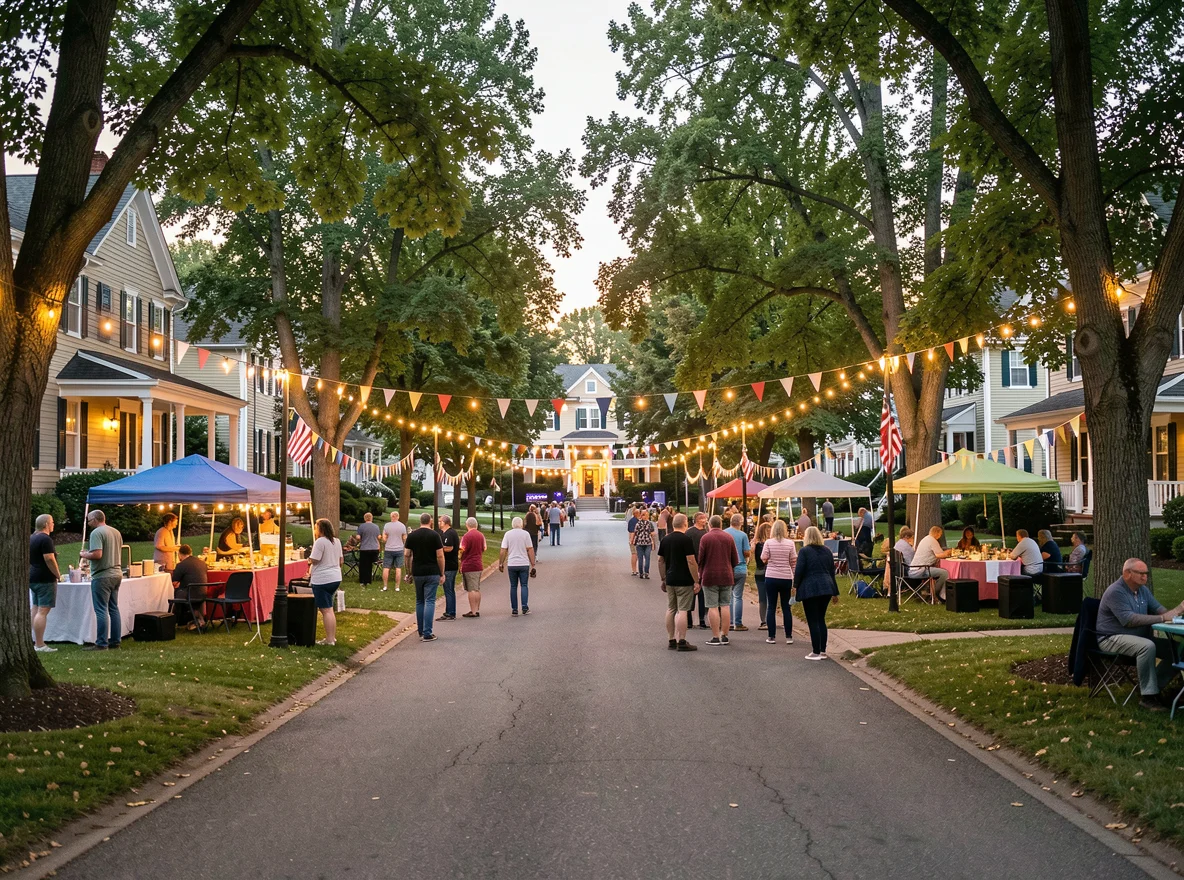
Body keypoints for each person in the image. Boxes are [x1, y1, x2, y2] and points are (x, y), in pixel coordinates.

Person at [1096, 558, 1184, 712]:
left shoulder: (1143, 590)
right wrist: (1163, 618)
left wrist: (1179, 610)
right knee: (1147, 646)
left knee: (1179, 649)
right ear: (1127, 573)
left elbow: (1161, 610)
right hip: (1111, 637)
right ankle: (1148, 698)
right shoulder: (1115, 591)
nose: (1145, 577)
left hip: (1139, 637)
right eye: (1141, 573)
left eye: (1146, 574)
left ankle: (1155, 688)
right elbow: (1129, 620)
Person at [794, 526, 840, 659]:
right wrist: (835, 592)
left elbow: (799, 570)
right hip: (827, 586)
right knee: (821, 619)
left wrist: (795, 585)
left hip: (810, 587)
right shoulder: (827, 551)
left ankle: (815, 651)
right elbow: (832, 571)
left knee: (812, 619)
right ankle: (823, 650)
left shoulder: (804, 551)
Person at [80, 509, 122, 651]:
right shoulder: (115, 532)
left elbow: (98, 554)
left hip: (102, 575)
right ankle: (115, 641)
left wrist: (84, 554)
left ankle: (102, 643)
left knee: (101, 610)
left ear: (95, 519)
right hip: (117, 573)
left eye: (89, 520)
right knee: (114, 609)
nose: (89, 523)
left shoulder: (96, 533)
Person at [658, 513, 699, 652]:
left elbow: (660, 560)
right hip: (684, 579)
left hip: (670, 579)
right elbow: (691, 561)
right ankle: (681, 640)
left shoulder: (665, 539)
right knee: (683, 610)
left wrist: (663, 578)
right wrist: (696, 580)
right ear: (685, 523)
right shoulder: (686, 540)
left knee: (671, 608)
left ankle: (671, 639)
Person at [698, 515, 739, 646]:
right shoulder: (729, 537)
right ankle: (725, 635)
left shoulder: (705, 538)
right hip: (726, 575)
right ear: (721, 524)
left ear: (709, 525)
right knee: (725, 605)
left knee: (712, 606)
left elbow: (701, 558)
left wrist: (700, 572)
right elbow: (735, 560)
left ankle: (715, 636)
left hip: (709, 575)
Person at [405, 513, 445, 641]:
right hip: (432, 571)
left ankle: (421, 631)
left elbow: (406, 554)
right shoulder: (435, 535)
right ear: (430, 521)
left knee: (419, 601)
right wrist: (442, 572)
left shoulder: (412, 536)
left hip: (417, 571)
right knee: (430, 601)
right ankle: (427, 632)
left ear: (420, 521)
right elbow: (440, 555)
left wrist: (408, 572)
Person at [308, 518, 344, 646]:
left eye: (316, 527)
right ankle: (332, 637)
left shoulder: (320, 542)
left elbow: (315, 559)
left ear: (320, 529)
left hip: (322, 579)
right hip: (335, 577)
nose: (315, 530)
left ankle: (329, 639)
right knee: (329, 609)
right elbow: (341, 560)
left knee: (325, 610)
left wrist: (309, 558)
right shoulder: (337, 541)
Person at [761, 519, 797, 644]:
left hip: (771, 576)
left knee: (771, 606)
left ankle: (771, 636)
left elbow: (763, 558)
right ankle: (788, 636)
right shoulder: (790, 543)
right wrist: (794, 579)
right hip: (786, 576)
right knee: (786, 607)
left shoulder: (769, 542)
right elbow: (793, 561)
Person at [30, 513, 60, 653]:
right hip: (44, 578)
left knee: (35, 608)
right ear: (46, 524)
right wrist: (57, 574)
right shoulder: (45, 539)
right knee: (42, 611)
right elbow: (49, 558)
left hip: (32, 577)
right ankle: (40, 644)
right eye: (52, 522)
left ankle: (31, 640)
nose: (53, 524)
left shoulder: (31, 538)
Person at [499, 516, 536, 615]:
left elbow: (503, 549)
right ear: (521, 524)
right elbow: (530, 549)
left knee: (513, 586)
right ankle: (524, 607)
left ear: (512, 524)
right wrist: (533, 564)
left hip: (512, 563)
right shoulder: (525, 534)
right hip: (523, 563)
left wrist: (501, 563)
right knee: (524, 585)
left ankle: (514, 609)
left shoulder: (508, 534)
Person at [171, 544, 209, 631]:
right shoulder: (202, 563)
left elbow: (174, 583)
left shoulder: (181, 565)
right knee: (190, 597)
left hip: (190, 594)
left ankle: (176, 620)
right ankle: (199, 619)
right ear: (191, 553)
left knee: (178, 593)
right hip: (203, 592)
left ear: (179, 554)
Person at [911, 525, 952, 603]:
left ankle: (931, 592)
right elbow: (939, 555)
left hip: (915, 568)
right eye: (940, 534)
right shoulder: (932, 540)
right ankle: (937, 594)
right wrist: (948, 553)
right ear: (937, 533)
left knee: (938, 571)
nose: (940, 536)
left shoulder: (925, 539)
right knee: (945, 573)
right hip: (921, 569)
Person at [725, 513, 752, 631]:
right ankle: (738, 622)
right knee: (738, 597)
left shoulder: (724, 533)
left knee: (728, 596)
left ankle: (729, 622)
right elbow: (746, 552)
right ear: (740, 523)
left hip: (727, 568)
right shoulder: (743, 535)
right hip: (740, 567)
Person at [685, 512, 709, 629]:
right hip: (692, 564)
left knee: (702, 594)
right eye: (702, 518)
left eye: (705, 518)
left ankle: (702, 619)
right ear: (697, 520)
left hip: (704, 565)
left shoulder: (706, 532)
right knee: (692, 592)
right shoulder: (690, 532)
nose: (704, 520)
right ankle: (689, 619)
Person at [459, 517, 486, 617]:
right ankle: (477, 609)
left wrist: (460, 559)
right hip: (478, 564)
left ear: (467, 525)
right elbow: (484, 548)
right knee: (477, 588)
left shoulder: (466, 536)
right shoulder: (481, 535)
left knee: (471, 589)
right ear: (476, 525)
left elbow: (462, 549)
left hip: (469, 564)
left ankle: (473, 611)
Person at [437, 514, 460, 621]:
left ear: (445, 523)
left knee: (449, 589)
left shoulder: (450, 533)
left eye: (440, 521)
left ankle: (451, 612)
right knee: (447, 589)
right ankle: (448, 611)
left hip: (450, 565)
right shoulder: (442, 533)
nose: (438, 523)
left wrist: (438, 550)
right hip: (446, 566)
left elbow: (449, 548)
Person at [380, 511, 408, 592]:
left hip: (388, 549)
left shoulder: (386, 525)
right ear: (398, 517)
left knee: (386, 567)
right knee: (398, 568)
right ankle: (397, 587)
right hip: (399, 549)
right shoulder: (402, 526)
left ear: (391, 517)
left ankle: (385, 586)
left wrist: (388, 539)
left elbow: (384, 538)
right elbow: (404, 538)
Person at [753, 520, 771, 630]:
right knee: (764, 598)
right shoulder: (761, 545)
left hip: (760, 572)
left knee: (764, 598)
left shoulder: (757, 544)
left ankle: (765, 620)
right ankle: (765, 620)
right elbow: (761, 561)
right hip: (764, 572)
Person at [356, 512, 381, 585]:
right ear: (371, 518)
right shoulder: (376, 527)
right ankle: (369, 580)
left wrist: (359, 539)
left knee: (363, 565)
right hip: (374, 548)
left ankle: (363, 581)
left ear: (365, 518)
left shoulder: (362, 526)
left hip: (365, 548)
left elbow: (358, 537)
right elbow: (379, 537)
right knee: (370, 565)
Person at [632, 508, 656, 579]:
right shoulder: (650, 524)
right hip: (648, 543)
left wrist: (633, 541)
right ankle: (646, 573)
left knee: (640, 559)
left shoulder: (638, 524)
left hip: (639, 543)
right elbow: (652, 533)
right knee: (647, 558)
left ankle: (641, 573)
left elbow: (635, 533)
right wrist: (653, 543)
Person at [627, 505, 640, 575]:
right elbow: (632, 532)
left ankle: (635, 569)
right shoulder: (634, 521)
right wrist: (632, 540)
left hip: (635, 540)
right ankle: (634, 570)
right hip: (635, 540)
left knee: (635, 554)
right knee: (634, 554)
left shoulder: (632, 521)